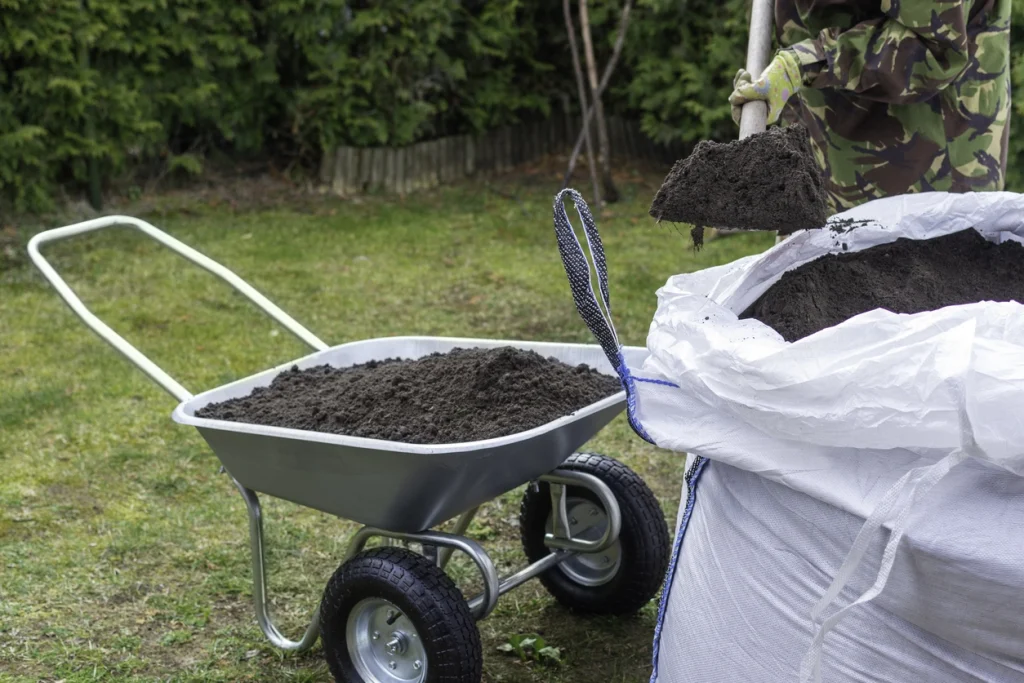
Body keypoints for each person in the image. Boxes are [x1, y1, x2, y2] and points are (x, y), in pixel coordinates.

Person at [729, 0, 1011, 213]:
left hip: (927, 177)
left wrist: (803, 64)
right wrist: (781, 92)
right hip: (825, 161)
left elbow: (935, 48)